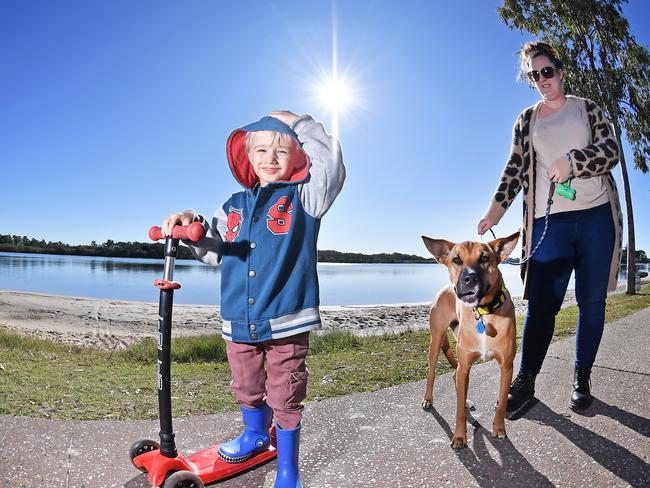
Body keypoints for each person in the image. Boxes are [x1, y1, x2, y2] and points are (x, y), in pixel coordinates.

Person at [162, 110, 345, 487]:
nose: (270, 158)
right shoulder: (231, 206)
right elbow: (212, 250)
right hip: (237, 320)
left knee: (286, 392)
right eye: (261, 150)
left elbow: (331, 163)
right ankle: (255, 434)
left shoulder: (305, 198)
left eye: (281, 150)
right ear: (247, 157)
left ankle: (288, 469)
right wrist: (188, 224)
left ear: (297, 156)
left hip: (286, 319)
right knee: (245, 386)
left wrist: (298, 121)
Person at [477, 41, 623, 412]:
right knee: (542, 306)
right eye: (533, 75)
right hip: (549, 225)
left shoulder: (587, 109)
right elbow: (513, 169)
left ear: (560, 70)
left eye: (546, 71)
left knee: (592, 304)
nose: (541, 80)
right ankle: (526, 382)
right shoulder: (527, 121)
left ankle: (582, 376)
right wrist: (494, 212)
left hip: (595, 218)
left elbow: (611, 152)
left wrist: (573, 162)